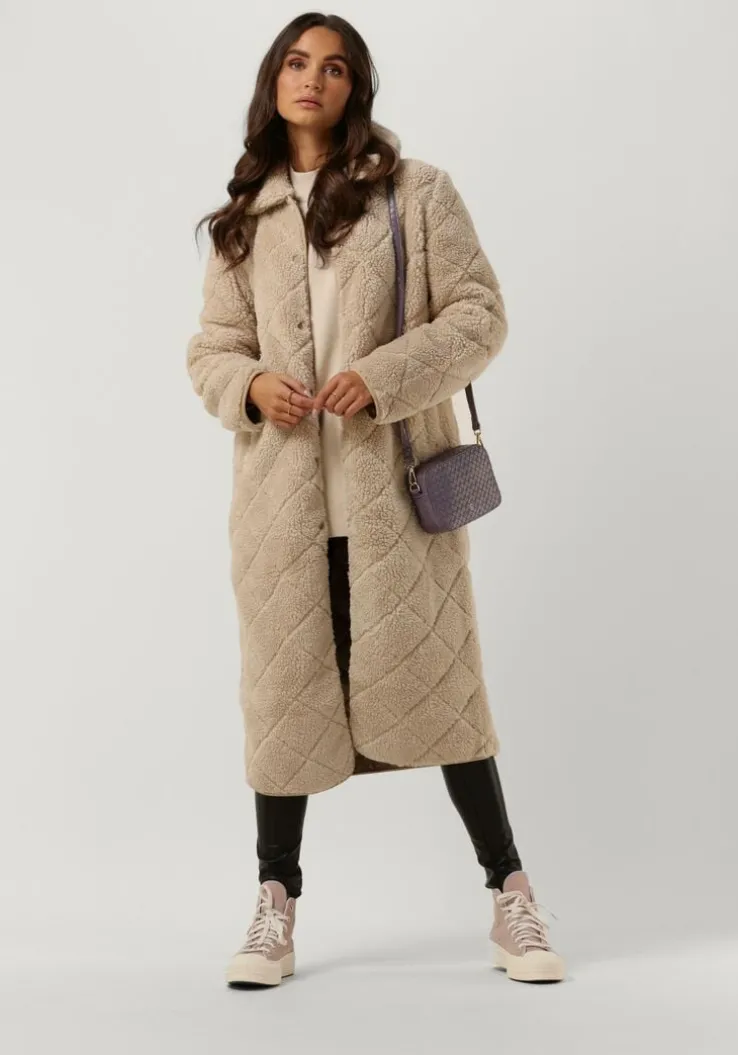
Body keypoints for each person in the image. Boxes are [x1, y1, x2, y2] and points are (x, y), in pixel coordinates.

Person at [187, 11, 564, 988]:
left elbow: (480, 316)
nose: (312, 79)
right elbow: (212, 349)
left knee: (449, 699)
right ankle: (275, 903)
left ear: (356, 88)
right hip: (282, 515)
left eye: (335, 67)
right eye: (297, 62)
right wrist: (251, 386)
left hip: (397, 507)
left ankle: (511, 891)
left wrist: (385, 374)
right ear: (274, 81)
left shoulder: (416, 193)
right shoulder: (243, 220)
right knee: (283, 710)